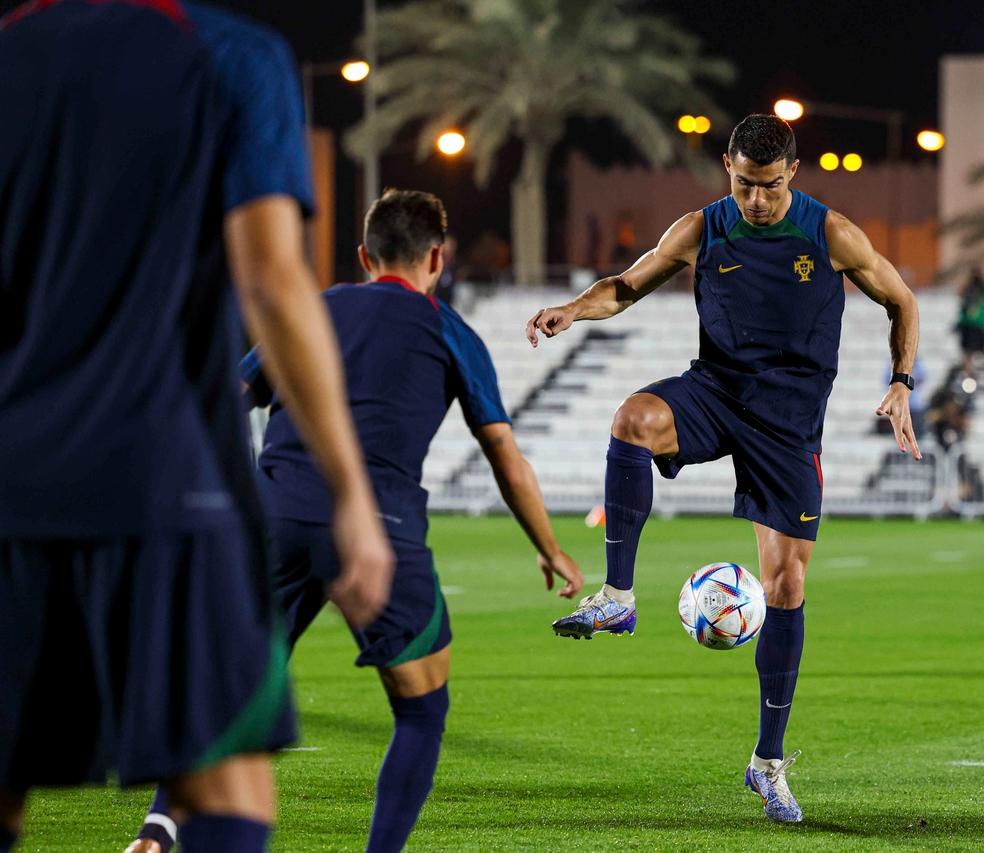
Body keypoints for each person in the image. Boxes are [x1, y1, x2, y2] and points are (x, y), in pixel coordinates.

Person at [0, 3, 393, 852]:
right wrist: (350, 492)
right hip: (167, 481)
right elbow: (272, 279)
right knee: (226, 783)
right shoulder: (235, 57)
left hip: (11, 483)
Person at [129, 189, 583, 853]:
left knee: (232, 686)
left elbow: (225, 399)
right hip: (379, 525)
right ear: (438, 256)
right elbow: (504, 456)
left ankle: (157, 828)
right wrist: (551, 548)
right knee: (422, 709)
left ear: (363, 256)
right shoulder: (450, 329)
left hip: (274, 513)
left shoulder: (312, 306)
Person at [525, 115, 921, 823]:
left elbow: (902, 299)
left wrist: (902, 380)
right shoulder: (701, 227)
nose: (756, 201)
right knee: (632, 419)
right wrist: (574, 311)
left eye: (769, 187)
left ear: (792, 173)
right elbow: (626, 284)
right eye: (744, 185)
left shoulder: (830, 234)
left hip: (789, 423)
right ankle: (618, 594)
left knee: (787, 584)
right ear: (727, 169)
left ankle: (767, 763)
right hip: (715, 392)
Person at [957, 267, 984, 381]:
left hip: (973, 324)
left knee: (972, 352)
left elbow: (959, 293)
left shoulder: (979, 289)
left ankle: (978, 372)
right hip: (974, 324)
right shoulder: (981, 289)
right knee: (977, 351)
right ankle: (974, 373)